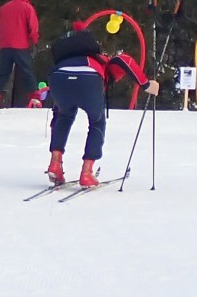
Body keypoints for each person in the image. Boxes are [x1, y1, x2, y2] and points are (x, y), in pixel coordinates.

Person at [44, 22, 157, 189]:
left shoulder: (68, 57)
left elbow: (56, 112)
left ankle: (55, 164)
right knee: (97, 122)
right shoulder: (102, 61)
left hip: (58, 76)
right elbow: (123, 60)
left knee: (64, 116)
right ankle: (87, 173)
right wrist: (146, 84)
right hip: (89, 78)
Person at [0, 0, 40, 109]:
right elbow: (33, 27)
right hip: (21, 45)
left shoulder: (3, 8)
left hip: (5, 46)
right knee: (26, 71)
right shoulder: (28, 8)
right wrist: (34, 41)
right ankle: (35, 99)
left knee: (3, 73)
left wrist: (1, 41)